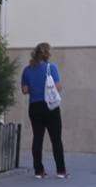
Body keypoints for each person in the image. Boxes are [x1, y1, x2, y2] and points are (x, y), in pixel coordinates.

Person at [19, 42, 68, 179]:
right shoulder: (51, 68)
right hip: (50, 107)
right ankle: (61, 171)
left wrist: (35, 87)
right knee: (56, 139)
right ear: (47, 54)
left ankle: (38, 171)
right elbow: (58, 87)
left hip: (34, 107)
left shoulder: (27, 70)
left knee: (37, 138)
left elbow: (24, 90)